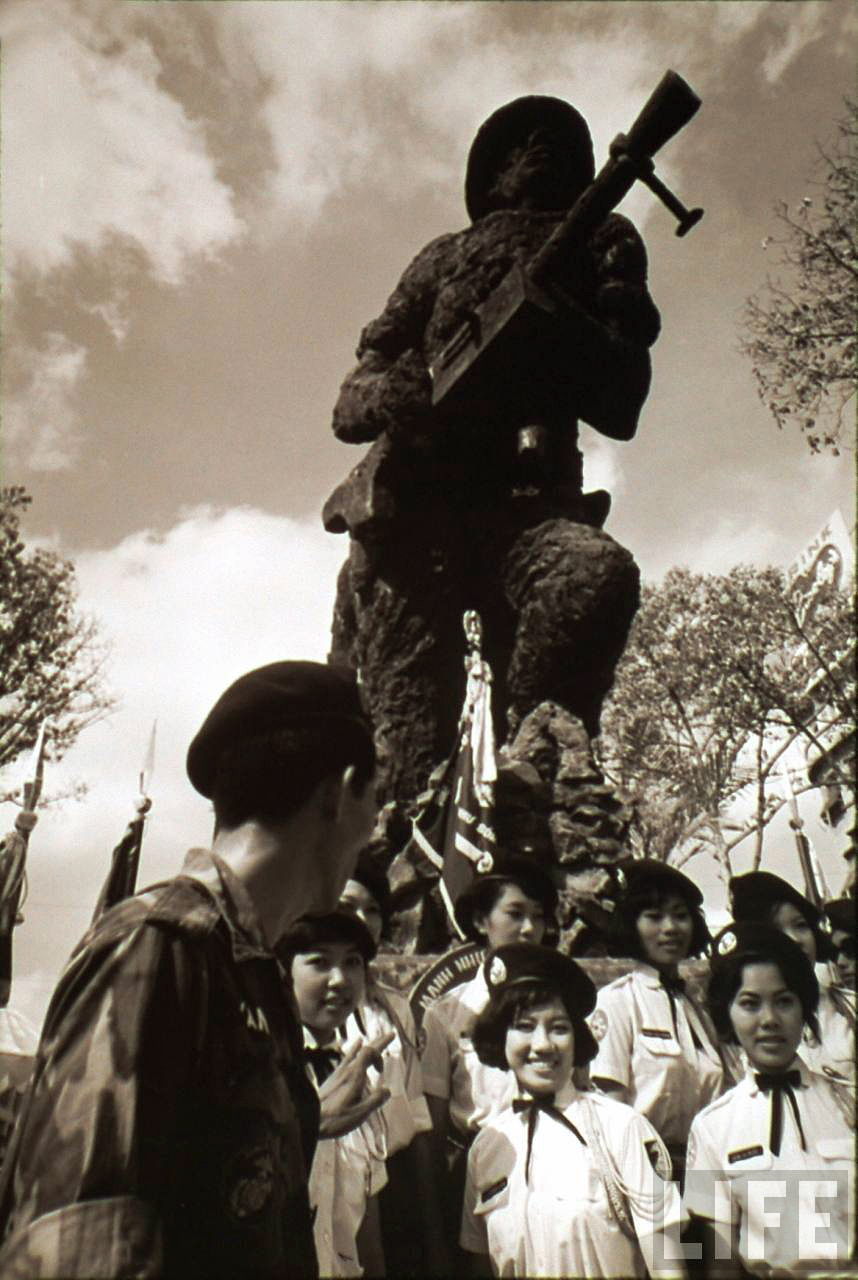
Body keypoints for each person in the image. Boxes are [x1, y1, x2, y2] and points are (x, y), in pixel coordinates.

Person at [0, 661, 386, 1279]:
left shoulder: (253, 974)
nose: (374, 827)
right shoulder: (159, 946)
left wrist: (303, 1121)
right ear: (337, 795)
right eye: (375, 799)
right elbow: (76, 1246)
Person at [326, 94, 659, 808]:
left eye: (555, 142)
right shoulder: (442, 257)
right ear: (491, 177)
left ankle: (534, 770)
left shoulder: (601, 240)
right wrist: (391, 395)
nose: (538, 147)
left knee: (591, 576)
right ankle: (385, 878)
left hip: (528, 513)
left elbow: (621, 406)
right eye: (518, 143)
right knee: (402, 758)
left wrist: (599, 316)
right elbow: (352, 397)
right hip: (418, 518)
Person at [461, 942, 687, 1278]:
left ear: (577, 1038)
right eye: (524, 1026)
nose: (542, 1045)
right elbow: (480, 1263)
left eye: (558, 1027)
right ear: (501, 1037)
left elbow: (669, 1266)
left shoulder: (622, 1128)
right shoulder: (487, 1146)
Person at [684, 922, 854, 1277]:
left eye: (784, 1002)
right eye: (750, 1004)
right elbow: (720, 1261)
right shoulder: (711, 1127)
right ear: (727, 1013)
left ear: (804, 1010)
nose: (769, 1020)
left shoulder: (848, 1104)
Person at [420, 856, 558, 1259]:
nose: (529, 929)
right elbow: (434, 1124)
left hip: (551, 1164)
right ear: (482, 922)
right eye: (515, 914)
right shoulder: (447, 1013)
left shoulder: (560, 1011)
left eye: (539, 917)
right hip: (472, 1171)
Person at [338, 854, 447, 1276]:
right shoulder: (305, 1004)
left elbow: (415, 1113)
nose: (363, 920)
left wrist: (429, 1222)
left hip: (396, 1181)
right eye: (349, 907)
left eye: (373, 911)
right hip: (342, 1175)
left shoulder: (396, 1008)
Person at [589, 860, 730, 1182]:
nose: (670, 928)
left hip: (707, 1174)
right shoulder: (618, 1002)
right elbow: (610, 1110)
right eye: (654, 917)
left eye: (681, 915)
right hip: (646, 1171)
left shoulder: (697, 1009)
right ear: (632, 925)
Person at [280, 909, 390, 1278]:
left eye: (352, 963)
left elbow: (367, 1223)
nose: (340, 979)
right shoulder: (260, 1072)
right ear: (283, 973)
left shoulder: (362, 1074)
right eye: (320, 963)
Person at [730, 870, 854, 1088]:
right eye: (777, 929)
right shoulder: (736, 1022)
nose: (796, 939)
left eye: (800, 925)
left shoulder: (848, 1011)